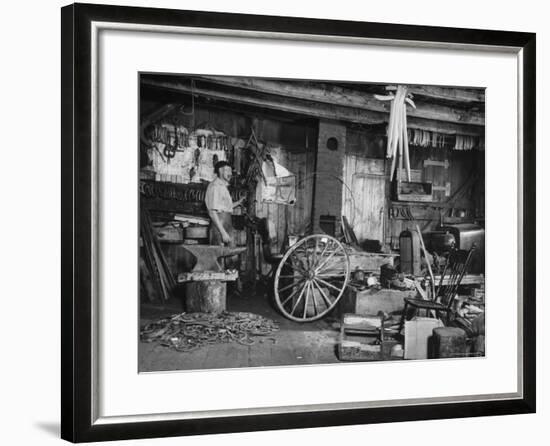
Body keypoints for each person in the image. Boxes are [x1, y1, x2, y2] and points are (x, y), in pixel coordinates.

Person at [204, 160, 245, 247]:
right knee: (218, 256)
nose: (230, 173)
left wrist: (238, 202)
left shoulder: (222, 186)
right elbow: (212, 212)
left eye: (230, 171)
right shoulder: (215, 186)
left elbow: (225, 207)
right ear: (220, 171)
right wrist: (223, 232)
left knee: (230, 254)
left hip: (226, 223)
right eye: (227, 171)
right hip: (219, 226)